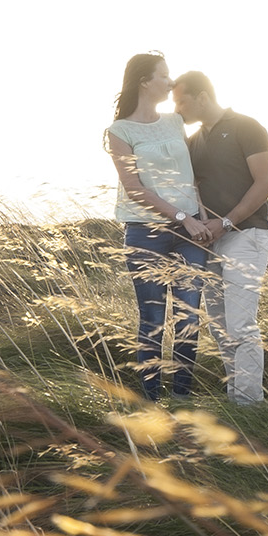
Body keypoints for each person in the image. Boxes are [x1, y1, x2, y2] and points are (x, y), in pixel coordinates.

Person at [105, 52, 207, 401]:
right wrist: (183, 218)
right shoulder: (119, 131)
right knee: (152, 320)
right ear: (145, 81)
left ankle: (181, 398)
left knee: (188, 317)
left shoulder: (176, 122)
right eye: (163, 75)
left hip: (191, 233)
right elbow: (134, 188)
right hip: (146, 232)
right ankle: (151, 402)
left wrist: (201, 217)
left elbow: (193, 174)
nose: (170, 81)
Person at [171, 71, 268, 405]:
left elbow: (264, 183)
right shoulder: (193, 141)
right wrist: (201, 224)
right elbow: (193, 189)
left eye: (181, 100)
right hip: (209, 242)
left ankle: (249, 406)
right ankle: (238, 402)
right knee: (220, 327)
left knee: (242, 325)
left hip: (247, 235)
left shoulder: (247, 127)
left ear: (202, 97)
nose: (177, 108)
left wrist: (226, 223)